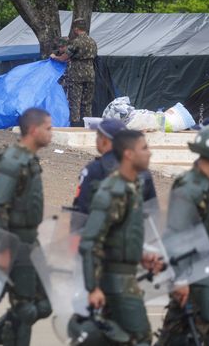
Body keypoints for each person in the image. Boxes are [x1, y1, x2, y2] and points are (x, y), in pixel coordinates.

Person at [76, 130, 162, 345]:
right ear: (129, 154)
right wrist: (92, 287)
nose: (149, 153)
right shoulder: (112, 191)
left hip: (125, 277)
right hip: (115, 282)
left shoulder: (131, 187)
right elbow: (90, 242)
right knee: (140, 338)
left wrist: (140, 254)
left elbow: (118, 235)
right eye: (144, 148)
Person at [0, 109, 53, 346]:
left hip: (31, 241)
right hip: (16, 243)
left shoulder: (28, 158)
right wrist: (4, 250)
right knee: (25, 309)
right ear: (33, 130)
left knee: (46, 303)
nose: (51, 133)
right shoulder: (13, 160)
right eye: (48, 128)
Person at [158, 122, 209, 346]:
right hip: (189, 275)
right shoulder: (189, 187)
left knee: (208, 336)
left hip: (204, 272)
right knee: (180, 337)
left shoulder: (207, 185)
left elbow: (205, 229)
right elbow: (175, 234)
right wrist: (180, 279)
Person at [72, 119, 156, 214]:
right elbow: (153, 212)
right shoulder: (142, 171)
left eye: (98, 136)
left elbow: (81, 209)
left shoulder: (94, 169)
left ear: (104, 141)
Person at [51, 18, 98, 127]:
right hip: (90, 74)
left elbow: (64, 58)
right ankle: (87, 125)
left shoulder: (76, 42)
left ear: (76, 29)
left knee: (75, 102)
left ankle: (75, 126)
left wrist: (54, 57)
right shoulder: (92, 42)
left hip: (77, 75)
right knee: (87, 102)